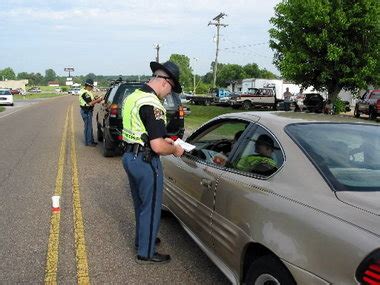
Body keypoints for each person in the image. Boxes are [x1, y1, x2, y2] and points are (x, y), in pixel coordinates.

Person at [121, 61, 184, 264]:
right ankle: (146, 252)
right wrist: (174, 149)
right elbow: (158, 147)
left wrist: (160, 140)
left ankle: (143, 240)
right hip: (146, 161)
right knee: (152, 206)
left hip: (130, 156)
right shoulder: (153, 103)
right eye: (171, 90)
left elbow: (143, 131)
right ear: (165, 83)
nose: (168, 95)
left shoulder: (133, 97)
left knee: (141, 204)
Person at [79, 79, 102, 146]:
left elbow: (91, 100)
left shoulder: (87, 91)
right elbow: (90, 103)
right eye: (91, 86)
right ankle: (89, 142)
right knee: (88, 127)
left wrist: (95, 99)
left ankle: (91, 141)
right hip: (86, 111)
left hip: (88, 111)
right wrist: (98, 100)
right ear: (88, 86)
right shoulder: (84, 93)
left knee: (89, 127)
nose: (92, 88)